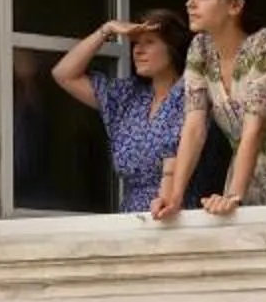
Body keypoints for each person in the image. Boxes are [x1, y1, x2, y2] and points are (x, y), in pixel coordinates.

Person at [153, 0, 266, 218]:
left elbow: (254, 128)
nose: (190, 3)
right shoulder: (201, 49)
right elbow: (194, 127)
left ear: (235, 5)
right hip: (238, 182)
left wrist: (234, 195)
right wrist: (174, 197)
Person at [50, 11, 191, 215]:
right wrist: (107, 29)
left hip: (179, 216)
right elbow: (64, 74)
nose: (138, 51)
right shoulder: (128, 96)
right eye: (136, 43)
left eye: (149, 42)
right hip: (132, 219)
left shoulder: (192, 92)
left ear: (173, 49)